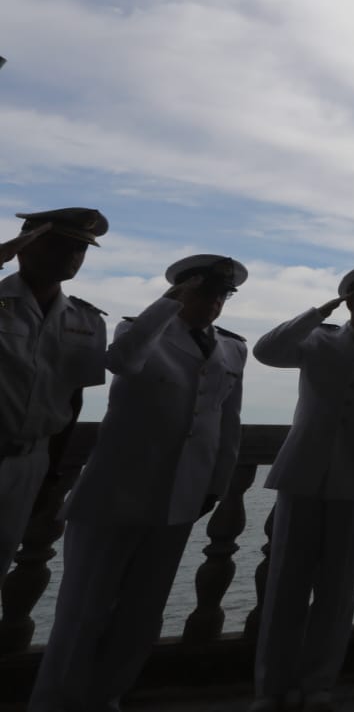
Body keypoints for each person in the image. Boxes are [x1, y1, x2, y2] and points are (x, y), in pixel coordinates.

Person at [29, 255, 247, 712]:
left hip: (181, 496)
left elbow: (227, 421)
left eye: (221, 296)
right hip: (114, 493)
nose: (213, 303)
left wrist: (216, 484)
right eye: (204, 293)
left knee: (143, 612)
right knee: (83, 610)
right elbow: (122, 361)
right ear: (180, 293)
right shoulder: (140, 331)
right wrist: (169, 301)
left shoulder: (231, 349)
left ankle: (107, 697)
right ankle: (55, 702)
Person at [250, 264, 354, 712]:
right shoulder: (316, 340)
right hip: (303, 471)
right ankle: (270, 687)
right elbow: (266, 351)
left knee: (339, 588)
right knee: (285, 585)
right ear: (349, 301)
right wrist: (317, 312)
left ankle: (318, 684)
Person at [0, 208, 108, 580]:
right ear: (25, 245)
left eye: (81, 248)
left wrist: (51, 475)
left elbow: (72, 398)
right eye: (59, 244)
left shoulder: (85, 320)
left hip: (31, 462)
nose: (72, 255)